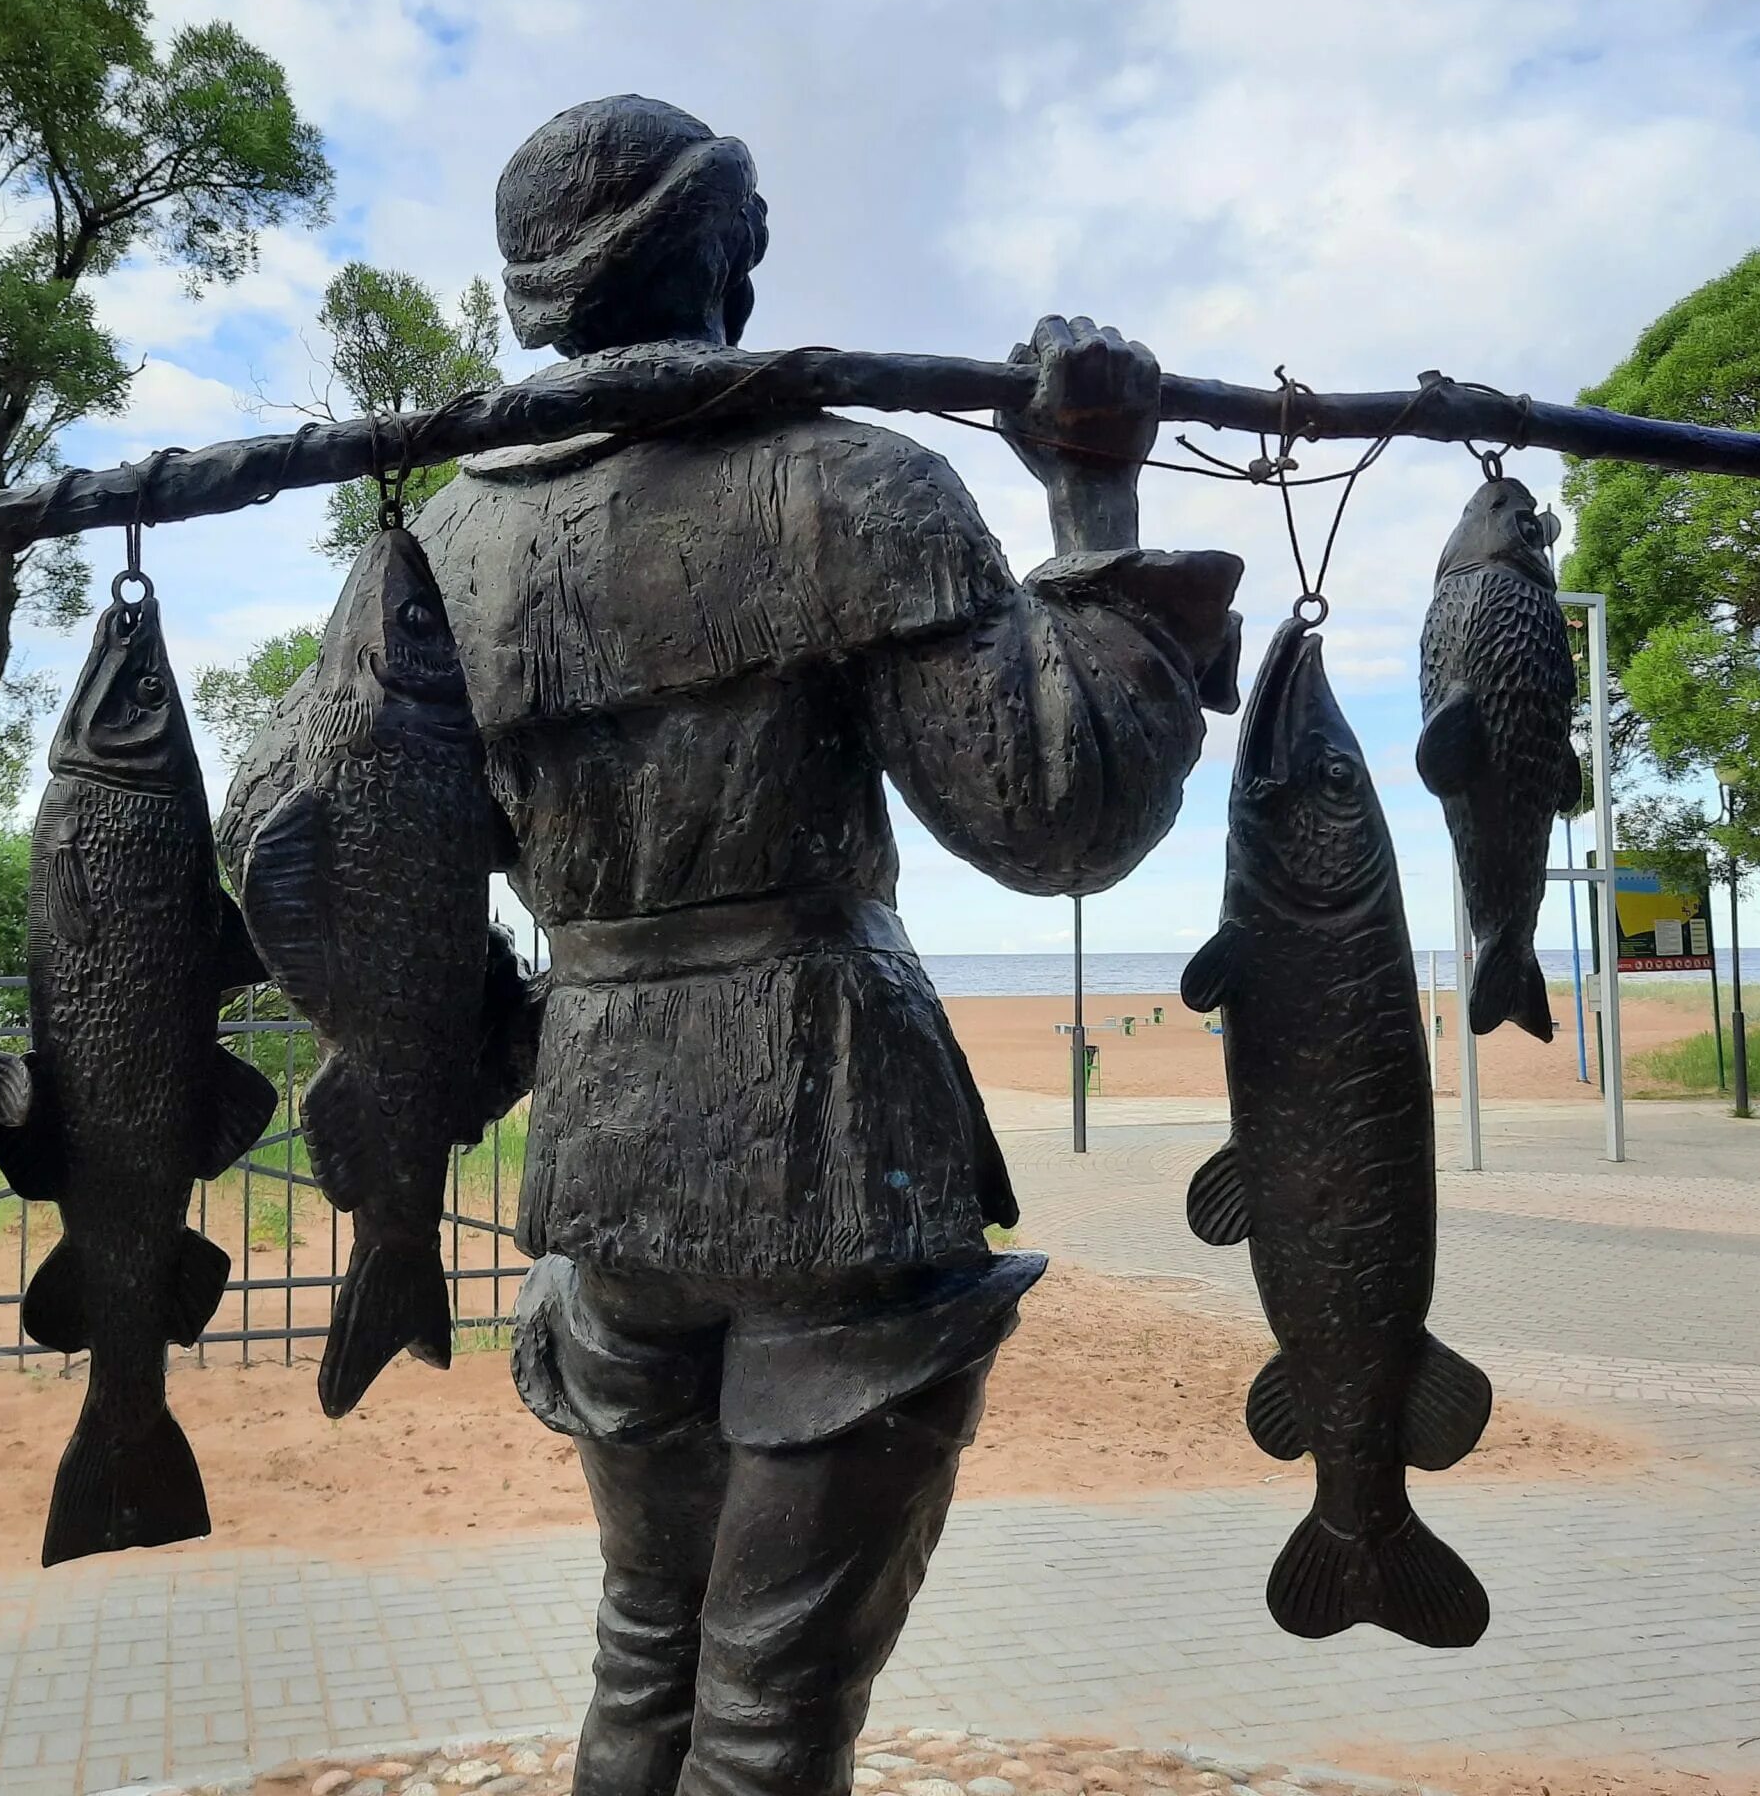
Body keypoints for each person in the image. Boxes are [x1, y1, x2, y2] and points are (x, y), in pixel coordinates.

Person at [412, 94, 1241, 1796]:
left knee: (649, 1654)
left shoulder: (442, 546)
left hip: (604, 1160)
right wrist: (1094, 515)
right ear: (731, 253)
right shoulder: (854, 485)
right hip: (833, 1151)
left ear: (536, 302)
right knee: (772, 1702)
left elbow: (389, 869)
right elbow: (1053, 817)